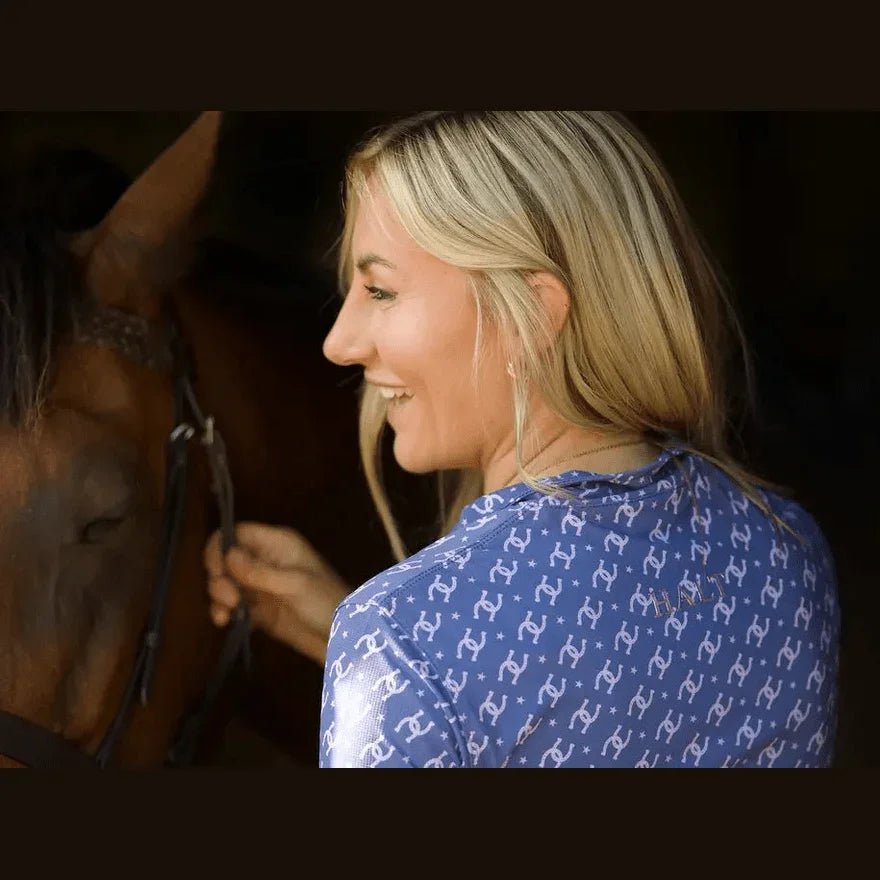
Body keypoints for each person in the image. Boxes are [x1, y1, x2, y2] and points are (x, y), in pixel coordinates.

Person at [203, 111, 840, 768]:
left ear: (534, 314)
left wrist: (389, 655)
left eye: (380, 289)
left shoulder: (407, 637)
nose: (338, 343)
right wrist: (360, 649)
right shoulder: (785, 548)